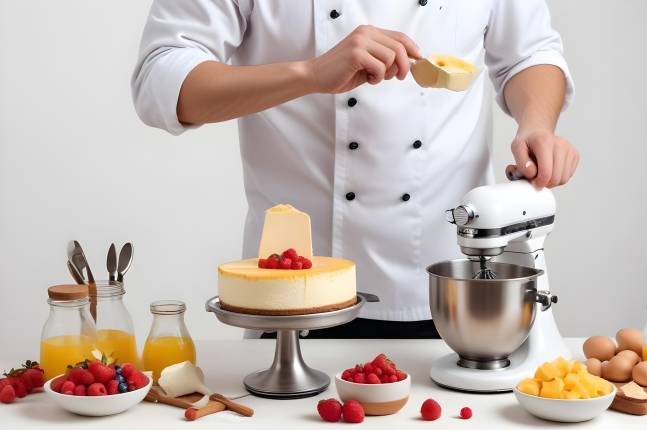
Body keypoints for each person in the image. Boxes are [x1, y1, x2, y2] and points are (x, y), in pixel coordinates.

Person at [132, 0, 578, 339]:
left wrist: (536, 124)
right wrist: (309, 73)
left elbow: (529, 53)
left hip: (456, 287)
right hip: (296, 295)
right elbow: (162, 79)